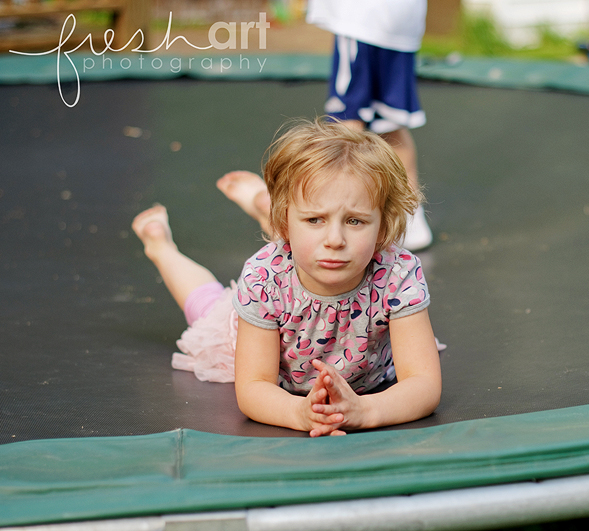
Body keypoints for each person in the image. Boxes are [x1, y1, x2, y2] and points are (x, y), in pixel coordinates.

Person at [131, 118, 442, 437]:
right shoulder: (265, 278)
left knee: (313, 247)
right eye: (314, 218)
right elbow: (253, 386)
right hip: (266, 327)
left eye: (355, 221)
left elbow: (424, 383)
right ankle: (162, 247)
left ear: (383, 227)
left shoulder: (398, 274)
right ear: (285, 222)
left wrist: (365, 411)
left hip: (299, 253)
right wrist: (298, 413)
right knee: (208, 305)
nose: (336, 239)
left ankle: (268, 203)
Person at [306, 0, 433, 250]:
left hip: (362, 18)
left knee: (346, 122)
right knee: (390, 123)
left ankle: (329, 216)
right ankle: (410, 217)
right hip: (400, 22)